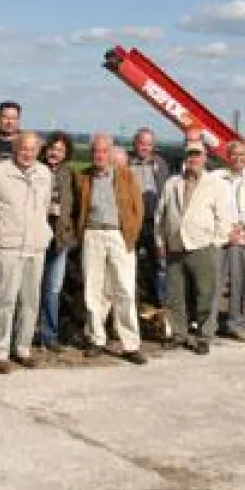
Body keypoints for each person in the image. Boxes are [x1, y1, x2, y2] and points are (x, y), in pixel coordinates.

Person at [0, 131, 54, 373]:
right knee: (5, 300)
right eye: (23, 149)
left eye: (32, 149)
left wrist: (42, 233)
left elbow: (45, 207)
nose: (28, 153)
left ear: (38, 151)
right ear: (15, 149)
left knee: (30, 301)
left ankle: (22, 349)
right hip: (8, 247)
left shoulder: (44, 174)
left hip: (35, 247)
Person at [74, 133, 148, 365]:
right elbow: (78, 208)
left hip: (119, 235)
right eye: (96, 151)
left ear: (111, 153)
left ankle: (130, 344)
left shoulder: (126, 176)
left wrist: (131, 233)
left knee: (124, 289)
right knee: (93, 289)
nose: (99, 155)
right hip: (92, 234)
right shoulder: (83, 177)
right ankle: (96, 338)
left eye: (104, 151)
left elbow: (138, 208)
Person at [154, 140, 231, 355]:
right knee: (176, 295)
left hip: (202, 246)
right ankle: (179, 334)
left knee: (204, 294)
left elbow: (224, 218)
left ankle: (203, 336)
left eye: (197, 155)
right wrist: (160, 241)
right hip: (175, 246)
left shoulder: (216, 184)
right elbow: (160, 215)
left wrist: (215, 243)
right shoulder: (172, 183)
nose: (193, 159)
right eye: (190, 155)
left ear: (205, 158)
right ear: (185, 158)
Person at [210, 140, 245, 342]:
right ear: (227, 156)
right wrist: (226, 229)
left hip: (243, 237)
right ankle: (210, 324)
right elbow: (211, 206)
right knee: (214, 281)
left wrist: (240, 226)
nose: (238, 158)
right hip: (220, 236)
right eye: (234, 154)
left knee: (240, 282)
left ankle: (237, 324)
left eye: (242, 155)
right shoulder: (216, 177)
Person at [36, 131, 77, 352]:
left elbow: (76, 206)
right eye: (52, 148)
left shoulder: (70, 175)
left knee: (52, 289)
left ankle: (49, 336)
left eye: (60, 150)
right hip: (36, 238)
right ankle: (27, 333)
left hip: (60, 240)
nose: (55, 153)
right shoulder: (36, 170)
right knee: (32, 288)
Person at [127, 128, 171, 320]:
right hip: (132, 221)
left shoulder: (160, 164)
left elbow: (166, 191)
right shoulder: (127, 162)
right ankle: (132, 301)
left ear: (153, 146)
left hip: (154, 222)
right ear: (135, 144)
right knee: (130, 262)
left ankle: (159, 304)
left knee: (158, 264)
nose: (145, 147)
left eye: (149, 144)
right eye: (142, 143)